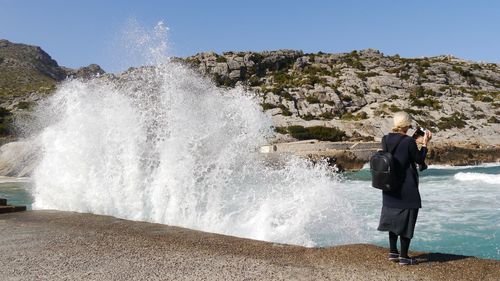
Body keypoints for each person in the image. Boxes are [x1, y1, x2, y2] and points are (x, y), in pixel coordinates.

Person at [377, 111, 432, 266]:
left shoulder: (385, 139)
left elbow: (398, 154)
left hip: (389, 185)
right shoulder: (408, 141)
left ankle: (393, 253)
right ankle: (404, 257)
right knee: (407, 221)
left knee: (393, 220)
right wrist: (425, 142)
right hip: (406, 186)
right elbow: (419, 159)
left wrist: (414, 141)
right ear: (407, 125)